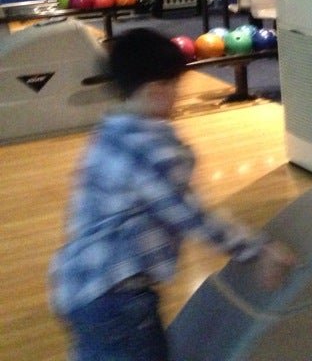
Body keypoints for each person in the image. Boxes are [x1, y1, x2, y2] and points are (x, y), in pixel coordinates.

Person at [49, 28, 297, 361]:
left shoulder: (108, 134)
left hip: (76, 284)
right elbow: (193, 217)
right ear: (157, 91)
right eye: (176, 87)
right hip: (116, 297)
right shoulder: (157, 149)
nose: (177, 97)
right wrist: (258, 250)